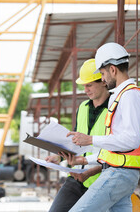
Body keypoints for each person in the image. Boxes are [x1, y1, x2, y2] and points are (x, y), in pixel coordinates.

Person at [67, 42, 140, 212]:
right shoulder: (120, 97)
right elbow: (116, 147)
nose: (103, 79)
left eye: (103, 73)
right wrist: (84, 160)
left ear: (112, 70)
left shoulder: (130, 96)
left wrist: (90, 139)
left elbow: (131, 140)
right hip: (120, 171)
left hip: (120, 173)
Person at [45, 58, 110, 212]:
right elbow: (75, 141)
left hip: (100, 181)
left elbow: (116, 150)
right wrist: (59, 156)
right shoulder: (83, 107)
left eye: (89, 85)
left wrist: (89, 172)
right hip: (76, 177)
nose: (85, 90)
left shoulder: (114, 110)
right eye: (83, 86)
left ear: (103, 81)